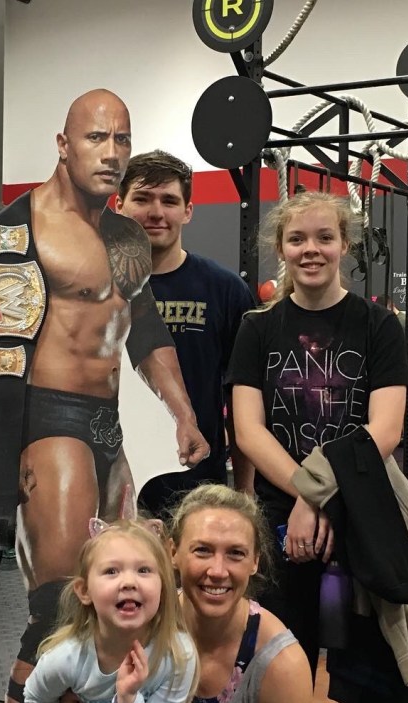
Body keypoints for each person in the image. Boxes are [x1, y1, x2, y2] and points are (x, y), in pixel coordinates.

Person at [0, 88, 209, 703]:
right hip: (45, 421)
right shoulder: (16, 229)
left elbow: (143, 328)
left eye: (122, 140)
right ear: (63, 145)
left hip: (107, 427)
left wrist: (182, 411)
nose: (111, 154)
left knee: (112, 611)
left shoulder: (125, 237)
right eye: (96, 138)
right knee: (57, 610)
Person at [228, 191, 408, 678]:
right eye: (297, 239)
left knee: (374, 676)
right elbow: (248, 431)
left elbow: (386, 429)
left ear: (344, 244)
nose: (311, 249)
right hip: (279, 519)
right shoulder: (257, 328)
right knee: (282, 668)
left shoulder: (378, 326)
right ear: (281, 248)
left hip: (360, 510)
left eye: (324, 237)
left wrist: (317, 498)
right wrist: (306, 496)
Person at [115, 150, 255, 515]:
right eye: (142, 199)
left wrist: (244, 491)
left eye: (169, 201)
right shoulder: (89, 289)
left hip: (197, 489)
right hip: (110, 487)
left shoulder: (225, 290)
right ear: (118, 206)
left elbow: (242, 403)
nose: (156, 212)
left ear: (188, 211)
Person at [24, 517, 197, 703]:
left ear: (163, 587)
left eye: (144, 570)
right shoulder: (68, 657)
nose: (129, 582)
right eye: (111, 571)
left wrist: (128, 698)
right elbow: (35, 696)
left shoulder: (177, 654)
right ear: (84, 591)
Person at [169, 484, 314, 703]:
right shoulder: (144, 624)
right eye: (202, 550)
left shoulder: (281, 664)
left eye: (235, 553)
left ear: (255, 562)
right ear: (173, 552)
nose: (217, 571)